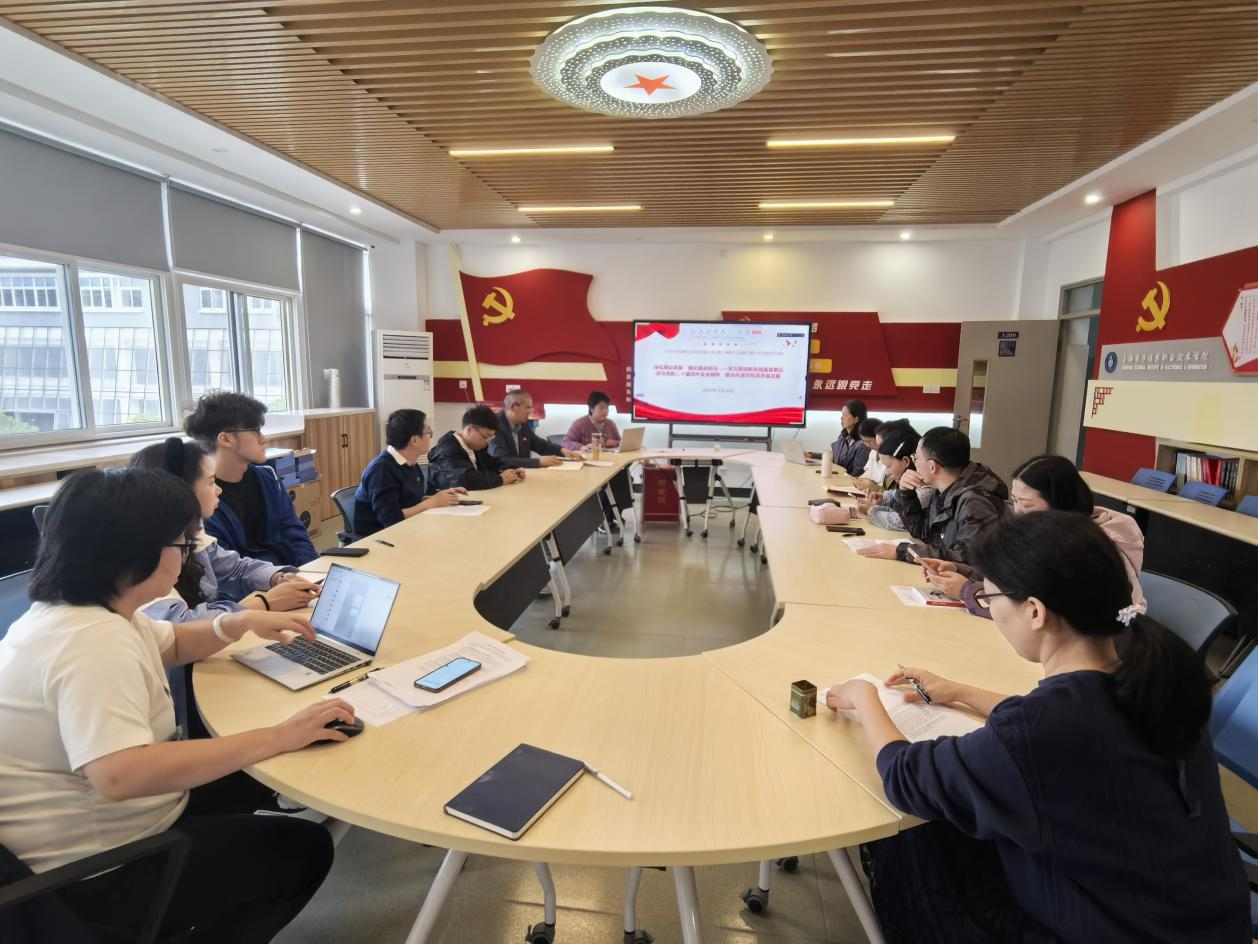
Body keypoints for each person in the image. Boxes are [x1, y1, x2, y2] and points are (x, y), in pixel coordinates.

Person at [823, 512, 1249, 942]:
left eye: (989, 598)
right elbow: (1062, 732)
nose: (989, 608)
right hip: (1201, 920)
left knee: (919, 834)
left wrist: (865, 696)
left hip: (1110, 928)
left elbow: (907, 777)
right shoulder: (1153, 673)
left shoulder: (1047, 725)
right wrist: (961, 692)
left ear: (1034, 611)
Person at [0, 467, 357, 942]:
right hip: (94, 872)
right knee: (304, 851)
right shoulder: (92, 643)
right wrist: (278, 735)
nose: (188, 557)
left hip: (90, 827)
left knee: (256, 773)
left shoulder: (79, 612)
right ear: (138, 553)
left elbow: (171, 642)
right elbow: (120, 775)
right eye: (183, 545)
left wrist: (239, 622)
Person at [920, 454, 1147, 617]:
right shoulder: (1048, 534)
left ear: (1058, 503)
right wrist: (959, 569)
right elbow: (1017, 577)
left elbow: (1037, 612)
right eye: (1015, 501)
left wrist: (966, 591)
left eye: (1027, 504)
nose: (1018, 512)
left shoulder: (1085, 550)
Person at [130, 438, 323, 623]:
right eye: (210, 482)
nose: (219, 490)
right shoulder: (143, 559)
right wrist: (265, 603)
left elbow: (234, 568)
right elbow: (178, 626)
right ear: (181, 491)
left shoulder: (191, 533)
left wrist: (278, 578)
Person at [184, 391, 317, 567]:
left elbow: (295, 533)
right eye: (255, 431)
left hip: (292, 576)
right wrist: (280, 577)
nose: (263, 439)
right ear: (225, 439)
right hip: (255, 582)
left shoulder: (268, 478)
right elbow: (226, 569)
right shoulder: (202, 498)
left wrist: (313, 571)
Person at [858, 426, 1006, 566]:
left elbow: (966, 559)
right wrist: (906, 493)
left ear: (932, 467)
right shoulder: (945, 491)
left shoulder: (976, 502)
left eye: (916, 457)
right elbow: (923, 532)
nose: (914, 462)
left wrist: (903, 551)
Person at [354, 409, 465, 536]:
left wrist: (442, 497)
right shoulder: (381, 469)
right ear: (414, 440)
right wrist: (432, 502)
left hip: (407, 530)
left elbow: (411, 500)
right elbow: (391, 519)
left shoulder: (409, 462)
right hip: (379, 539)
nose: (430, 437)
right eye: (428, 433)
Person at [857, 423, 934, 533]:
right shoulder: (909, 481)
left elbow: (903, 521)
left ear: (906, 461)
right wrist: (882, 499)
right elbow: (896, 496)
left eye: (916, 457)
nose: (887, 472)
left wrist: (871, 510)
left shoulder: (926, 489)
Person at [428, 404, 526, 491]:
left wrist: (512, 469)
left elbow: (492, 463)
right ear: (470, 430)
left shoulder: (474, 447)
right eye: (486, 436)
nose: (488, 441)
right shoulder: (448, 450)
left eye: (491, 437)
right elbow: (465, 479)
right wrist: (500, 479)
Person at [489, 390, 582, 468]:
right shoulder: (495, 426)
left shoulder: (522, 425)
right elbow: (501, 460)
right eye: (528, 407)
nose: (530, 411)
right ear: (514, 407)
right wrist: (538, 462)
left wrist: (562, 450)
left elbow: (541, 446)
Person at [820, 399, 869, 476]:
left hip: (848, 482)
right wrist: (811, 455)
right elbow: (833, 458)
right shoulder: (844, 436)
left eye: (845, 415)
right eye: (842, 415)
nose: (841, 418)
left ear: (856, 419)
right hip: (838, 478)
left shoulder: (863, 445)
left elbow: (856, 474)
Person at [851, 417, 885, 491]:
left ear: (879, 437)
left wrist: (872, 486)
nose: (867, 445)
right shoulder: (873, 453)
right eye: (864, 441)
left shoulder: (890, 458)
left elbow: (888, 489)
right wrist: (859, 480)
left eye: (869, 441)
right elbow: (867, 474)